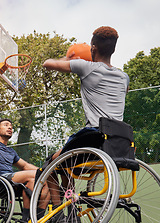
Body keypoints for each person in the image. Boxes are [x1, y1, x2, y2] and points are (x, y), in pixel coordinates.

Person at [43, 26, 129, 209]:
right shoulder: (124, 77)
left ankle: (65, 212)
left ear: (93, 47)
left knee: (50, 163)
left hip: (93, 138)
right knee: (64, 160)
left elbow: (47, 63)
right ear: (113, 49)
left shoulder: (86, 67)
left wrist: (70, 57)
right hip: (118, 143)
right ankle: (71, 205)